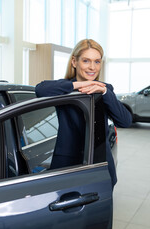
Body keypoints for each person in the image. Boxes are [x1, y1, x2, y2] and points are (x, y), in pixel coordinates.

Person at [35, 39, 132, 187]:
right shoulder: (64, 88)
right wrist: (80, 85)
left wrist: (105, 91)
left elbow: (125, 121)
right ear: (74, 62)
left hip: (100, 165)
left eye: (97, 62)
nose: (92, 67)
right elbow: (40, 89)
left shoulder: (105, 89)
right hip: (68, 165)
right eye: (86, 61)